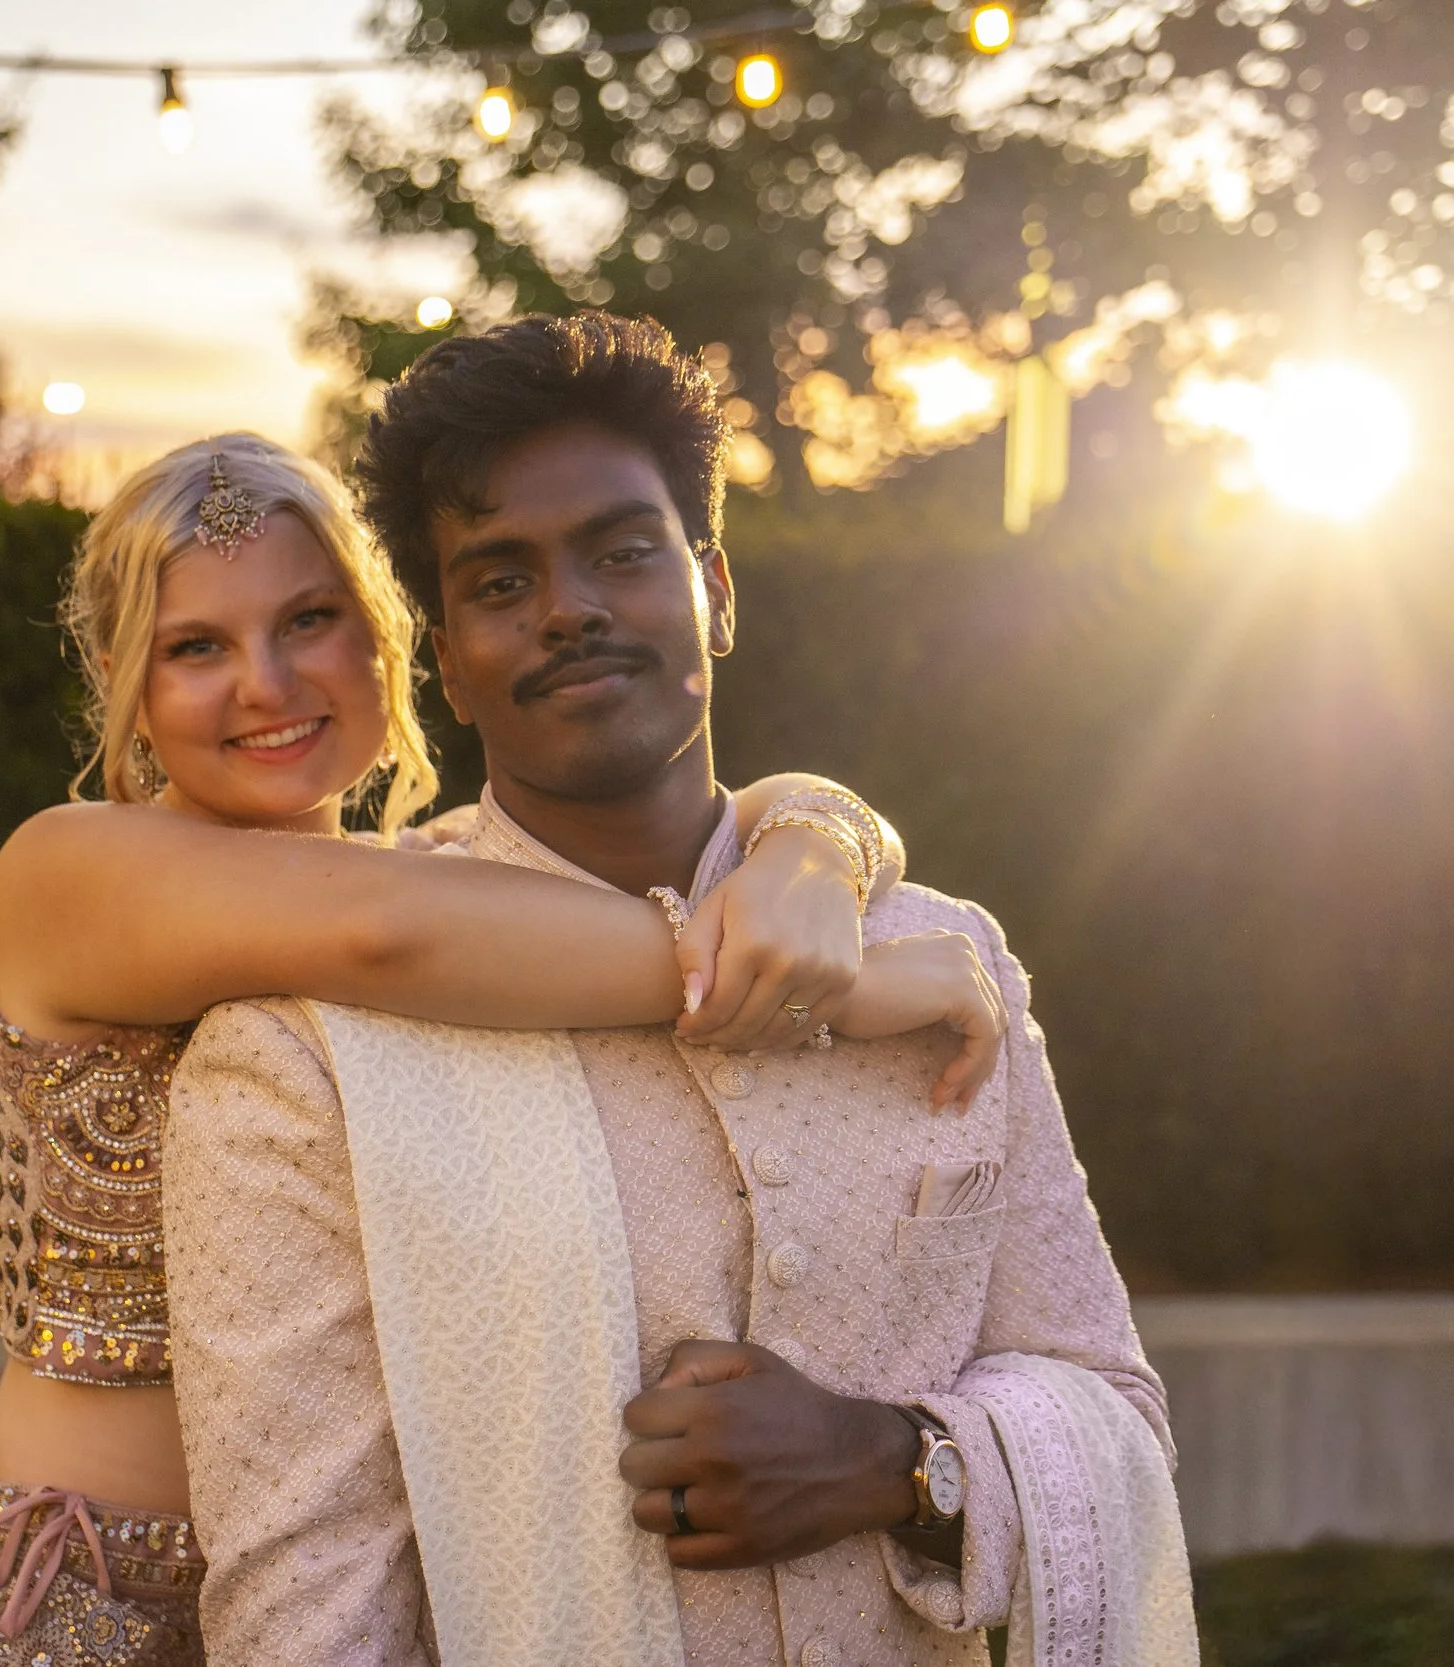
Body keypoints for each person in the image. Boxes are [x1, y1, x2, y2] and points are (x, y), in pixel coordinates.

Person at [0, 433, 1008, 1667]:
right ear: (124, 679)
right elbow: (382, 935)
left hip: (382, 1594)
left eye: (310, 619)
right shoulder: (65, 869)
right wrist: (824, 978)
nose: (265, 682)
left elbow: (693, 822)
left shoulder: (452, 893)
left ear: (387, 639)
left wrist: (819, 840)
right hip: (82, 1605)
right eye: (196, 647)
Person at [162, 315, 1196, 1667]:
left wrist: (896, 1459)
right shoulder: (307, 1054)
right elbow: (306, 1608)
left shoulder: (944, 960)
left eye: (623, 550)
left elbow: (1114, 1409)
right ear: (447, 661)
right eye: (499, 580)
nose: (573, 605)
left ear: (715, 586)